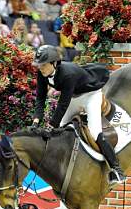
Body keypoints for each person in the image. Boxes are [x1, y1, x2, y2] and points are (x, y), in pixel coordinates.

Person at [31, 45, 124, 184]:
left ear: (54, 63)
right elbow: (40, 98)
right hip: (75, 96)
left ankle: (116, 169)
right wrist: (36, 120)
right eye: (39, 65)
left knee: (94, 132)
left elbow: (63, 104)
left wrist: (51, 125)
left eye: (43, 65)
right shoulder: (42, 74)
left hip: (91, 95)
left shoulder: (68, 74)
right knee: (60, 128)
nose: (40, 68)